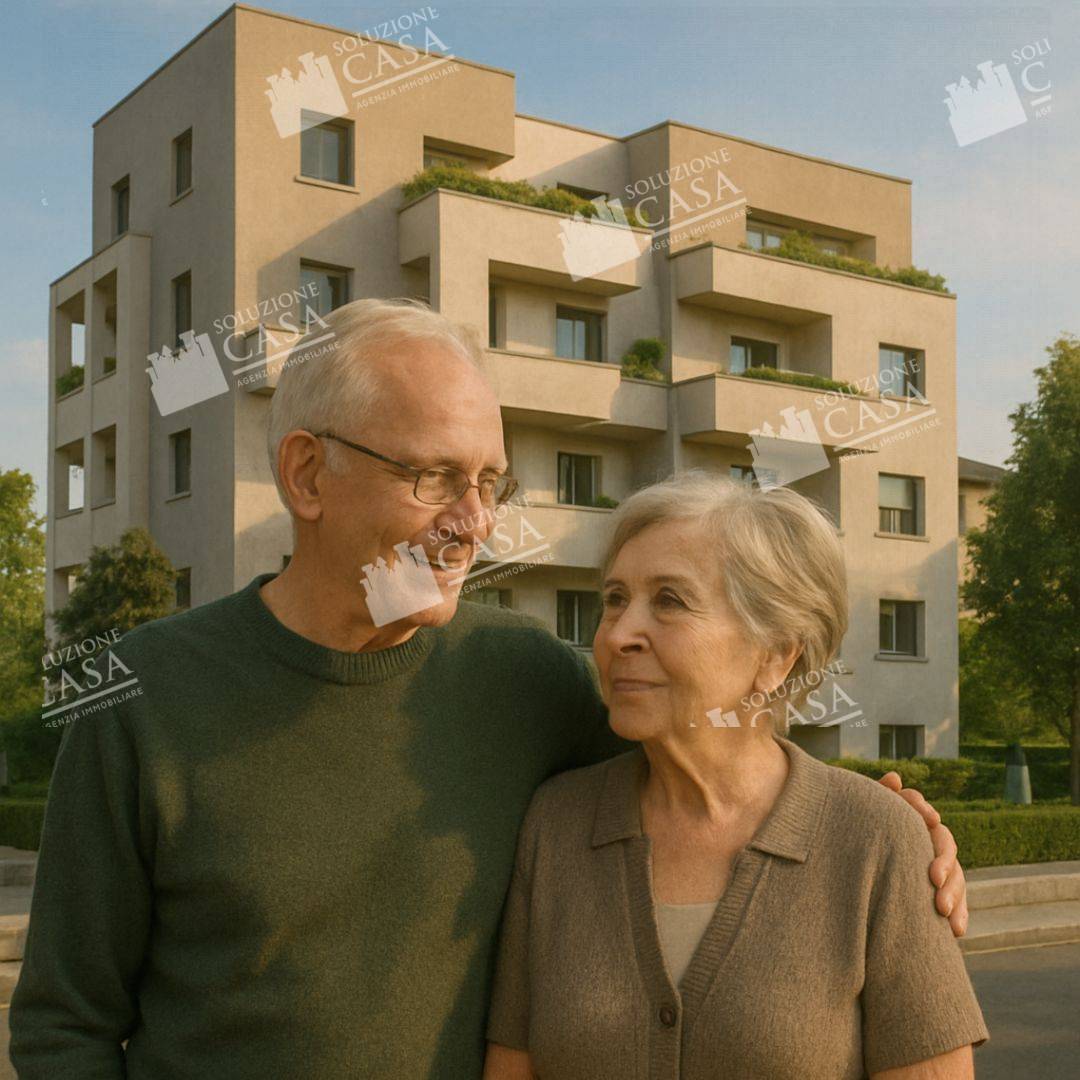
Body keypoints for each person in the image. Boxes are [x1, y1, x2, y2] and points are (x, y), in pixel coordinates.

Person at [11, 300, 968, 1079]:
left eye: (490, 483)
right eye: (434, 477)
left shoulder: (528, 679)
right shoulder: (144, 695)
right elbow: (66, 1030)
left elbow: (722, 764)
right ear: (307, 471)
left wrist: (891, 831)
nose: (474, 524)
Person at [484, 474, 988, 1079]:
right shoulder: (555, 825)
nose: (616, 635)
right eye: (614, 599)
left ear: (777, 655)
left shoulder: (878, 840)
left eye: (669, 601)